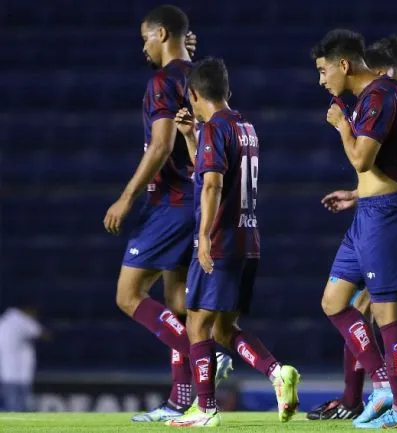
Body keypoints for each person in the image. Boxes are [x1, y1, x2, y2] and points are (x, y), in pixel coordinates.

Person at [102, 5, 233, 422]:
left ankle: (205, 359)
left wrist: (126, 197)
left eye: (145, 37)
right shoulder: (195, 79)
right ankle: (180, 398)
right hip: (195, 201)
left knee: (128, 295)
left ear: (160, 34)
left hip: (169, 203)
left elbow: (160, 145)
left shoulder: (162, 81)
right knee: (178, 303)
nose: (143, 46)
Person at [312, 28, 397, 428]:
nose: (322, 81)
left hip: (384, 215)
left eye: (323, 71)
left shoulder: (379, 96)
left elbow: (361, 159)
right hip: (370, 213)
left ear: (344, 64)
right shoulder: (392, 93)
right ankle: (384, 383)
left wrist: (340, 124)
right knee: (334, 301)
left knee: (389, 315)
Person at [168, 57, 300, 427]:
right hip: (248, 239)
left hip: (221, 240)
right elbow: (208, 172)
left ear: (194, 94)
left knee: (196, 324)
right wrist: (190, 138)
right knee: (223, 329)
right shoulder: (246, 127)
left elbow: (212, 184)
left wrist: (204, 237)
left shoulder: (215, 128)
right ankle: (277, 374)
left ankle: (206, 409)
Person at [0, 304, 45, 412]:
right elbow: (43, 334)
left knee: (9, 409)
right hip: (16, 376)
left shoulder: (4, 320)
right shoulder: (20, 319)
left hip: (7, 374)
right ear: (27, 309)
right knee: (15, 410)